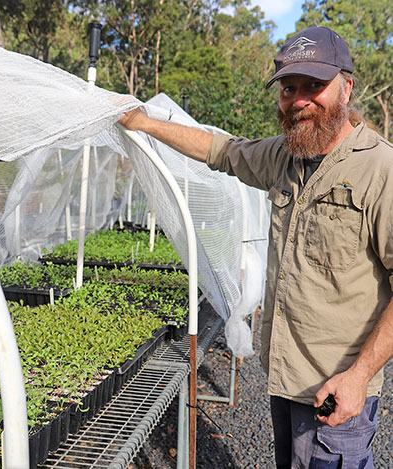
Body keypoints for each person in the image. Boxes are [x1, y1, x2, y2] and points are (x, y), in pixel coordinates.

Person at [119, 26, 393, 468]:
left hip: (336, 388)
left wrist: (359, 377)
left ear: (346, 87)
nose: (299, 100)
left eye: (314, 86)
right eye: (289, 88)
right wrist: (143, 123)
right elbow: (221, 150)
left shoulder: (381, 170)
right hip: (285, 376)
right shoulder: (284, 157)